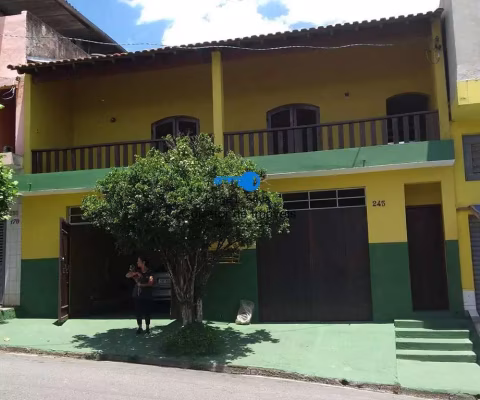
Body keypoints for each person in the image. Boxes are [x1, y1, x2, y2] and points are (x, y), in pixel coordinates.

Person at [126, 256, 154, 334]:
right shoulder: (137, 271)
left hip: (147, 295)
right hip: (137, 295)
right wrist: (135, 273)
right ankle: (140, 327)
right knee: (138, 312)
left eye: (139, 261)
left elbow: (151, 283)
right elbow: (127, 275)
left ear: (143, 262)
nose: (137, 262)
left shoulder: (150, 272)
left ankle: (147, 328)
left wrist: (142, 285)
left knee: (147, 312)